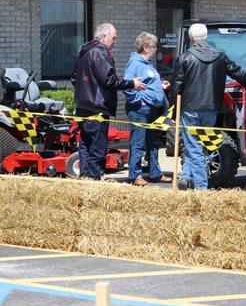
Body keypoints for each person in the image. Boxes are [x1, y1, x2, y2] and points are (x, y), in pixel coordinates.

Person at [171, 23, 246, 190]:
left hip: (189, 108)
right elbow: (237, 72)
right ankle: (186, 175)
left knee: (194, 146)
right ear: (206, 38)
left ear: (190, 38)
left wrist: (174, 114)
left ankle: (200, 187)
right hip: (211, 108)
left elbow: (176, 89)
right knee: (201, 144)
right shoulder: (220, 56)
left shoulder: (184, 58)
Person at [72, 23, 146, 180]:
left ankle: (85, 179)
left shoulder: (84, 52)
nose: (115, 41)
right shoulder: (100, 53)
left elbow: (74, 77)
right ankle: (94, 179)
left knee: (86, 145)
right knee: (98, 147)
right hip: (97, 107)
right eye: (114, 38)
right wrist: (131, 83)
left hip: (82, 107)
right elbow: (109, 80)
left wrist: (87, 88)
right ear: (103, 37)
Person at [123, 32, 173, 186]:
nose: (156, 49)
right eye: (153, 46)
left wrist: (161, 87)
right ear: (145, 47)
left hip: (152, 110)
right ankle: (135, 175)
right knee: (138, 143)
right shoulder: (135, 63)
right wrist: (141, 101)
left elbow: (149, 83)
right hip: (140, 110)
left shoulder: (148, 63)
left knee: (153, 142)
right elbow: (127, 86)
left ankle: (155, 173)